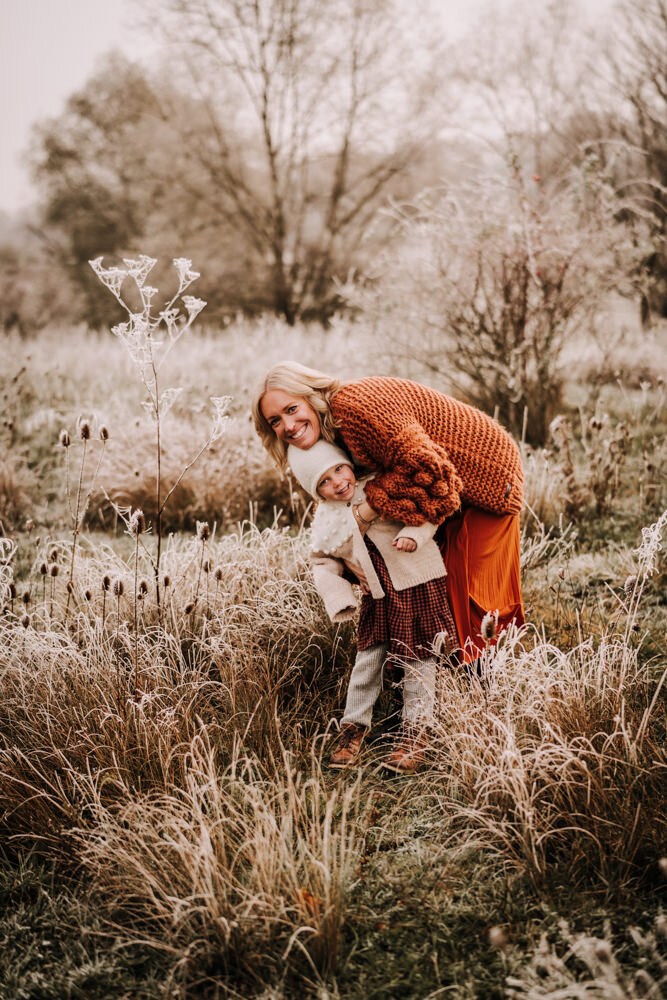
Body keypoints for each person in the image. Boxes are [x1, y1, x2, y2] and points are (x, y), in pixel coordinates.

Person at [288, 439, 454, 772]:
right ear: (316, 491)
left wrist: (414, 534)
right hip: (377, 597)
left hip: (415, 583)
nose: (337, 481)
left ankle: (416, 734)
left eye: (338, 468)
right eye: (324, 481)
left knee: (418, 661)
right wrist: (340, 597)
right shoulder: (326, 520)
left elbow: (427, 512)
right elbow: (322, 561)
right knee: (367, 663)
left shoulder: (379, 489)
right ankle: (353, 730)